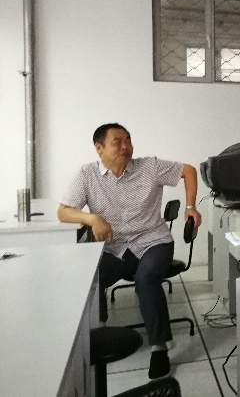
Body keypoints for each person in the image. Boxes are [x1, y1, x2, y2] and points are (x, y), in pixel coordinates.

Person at [57, 123, 202, 379]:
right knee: (89, 275)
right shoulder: (87, 175)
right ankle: (98, 332)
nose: (126, 146)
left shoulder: (149, 167)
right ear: (99, 148)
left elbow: (188, 170)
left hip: (154, 241)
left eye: (128, 140)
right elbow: (63, 211)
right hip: (116, 247)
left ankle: (159, 348)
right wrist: (92, 218)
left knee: (147, 278)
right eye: (117, 142)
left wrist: (191, 206)